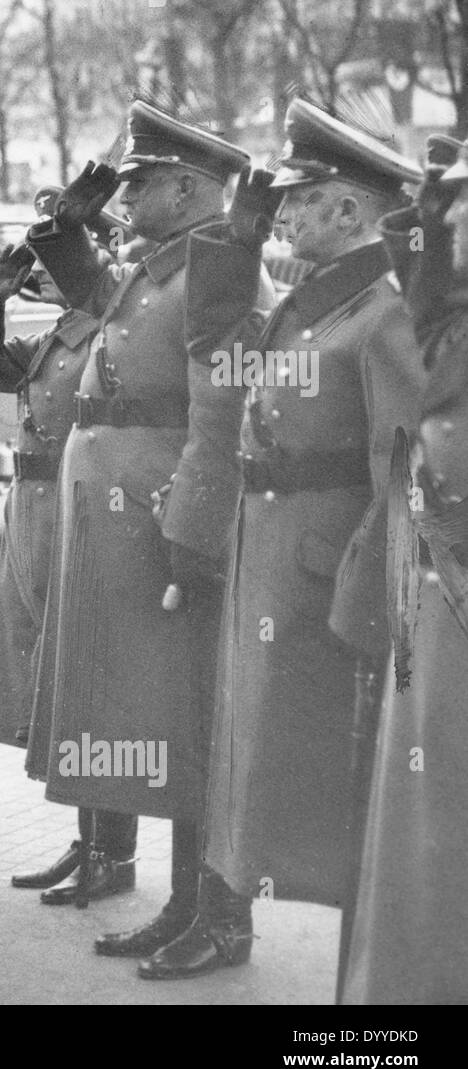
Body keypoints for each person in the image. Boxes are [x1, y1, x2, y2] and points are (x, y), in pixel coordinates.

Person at [144, 98, 423, 981]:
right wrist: (236, 235)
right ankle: (224, 923)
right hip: (262, 557)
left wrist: (366, 603)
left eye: (302, 200)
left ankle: (356, 989)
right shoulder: (305, 309)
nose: (284, 215)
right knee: (242, 755)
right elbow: (216, 342)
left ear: (350, 212)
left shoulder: (381, 318)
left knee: (324, 787)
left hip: (320, 580)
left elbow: (400, 479)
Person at [25, 100, 272, 931]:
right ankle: (154, 884)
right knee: (137, 707)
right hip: (115, 509)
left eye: (139, 184)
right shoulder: (161, 263)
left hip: (162, 511)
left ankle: (207, 911)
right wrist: (65, 230)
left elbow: (224, 410)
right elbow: (95, 297)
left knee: (185, 714)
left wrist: (195, 533)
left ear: (186, 186)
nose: (124, 198)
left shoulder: (219, 270)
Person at [0, 188, 135, 894]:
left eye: (54, 262)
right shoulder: (61, 332)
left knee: (87, 676)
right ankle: (86, 840)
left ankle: (112, 853)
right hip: (33, 508)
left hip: (76, 507)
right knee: (54, 680)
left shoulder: (112, 325)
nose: (39, 273)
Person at [339, 134, 467, 1004]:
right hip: (435, 615)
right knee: (419, 855)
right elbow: (427, 312)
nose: (454, 224)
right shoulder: (453, 326)